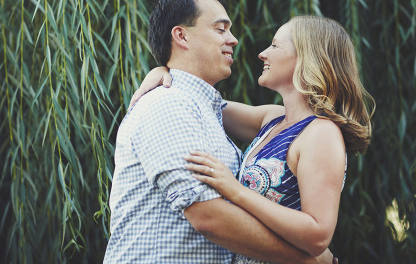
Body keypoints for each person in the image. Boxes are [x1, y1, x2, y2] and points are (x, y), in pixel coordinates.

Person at [104, 0, 335, 263]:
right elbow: (207, 215)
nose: (234, 40)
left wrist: (165, 71)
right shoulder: (168, 105)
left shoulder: (207, 112)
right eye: (220, 29)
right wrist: (308, 261)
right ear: (181, 36)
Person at [132, 15, 375, 263]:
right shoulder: (272, 118)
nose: (262, 53)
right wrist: (166, 72)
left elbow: (317, 235)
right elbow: (203, 103)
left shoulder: (321, 133)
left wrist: (236, 191)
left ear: (307, 57)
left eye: (274, 45)